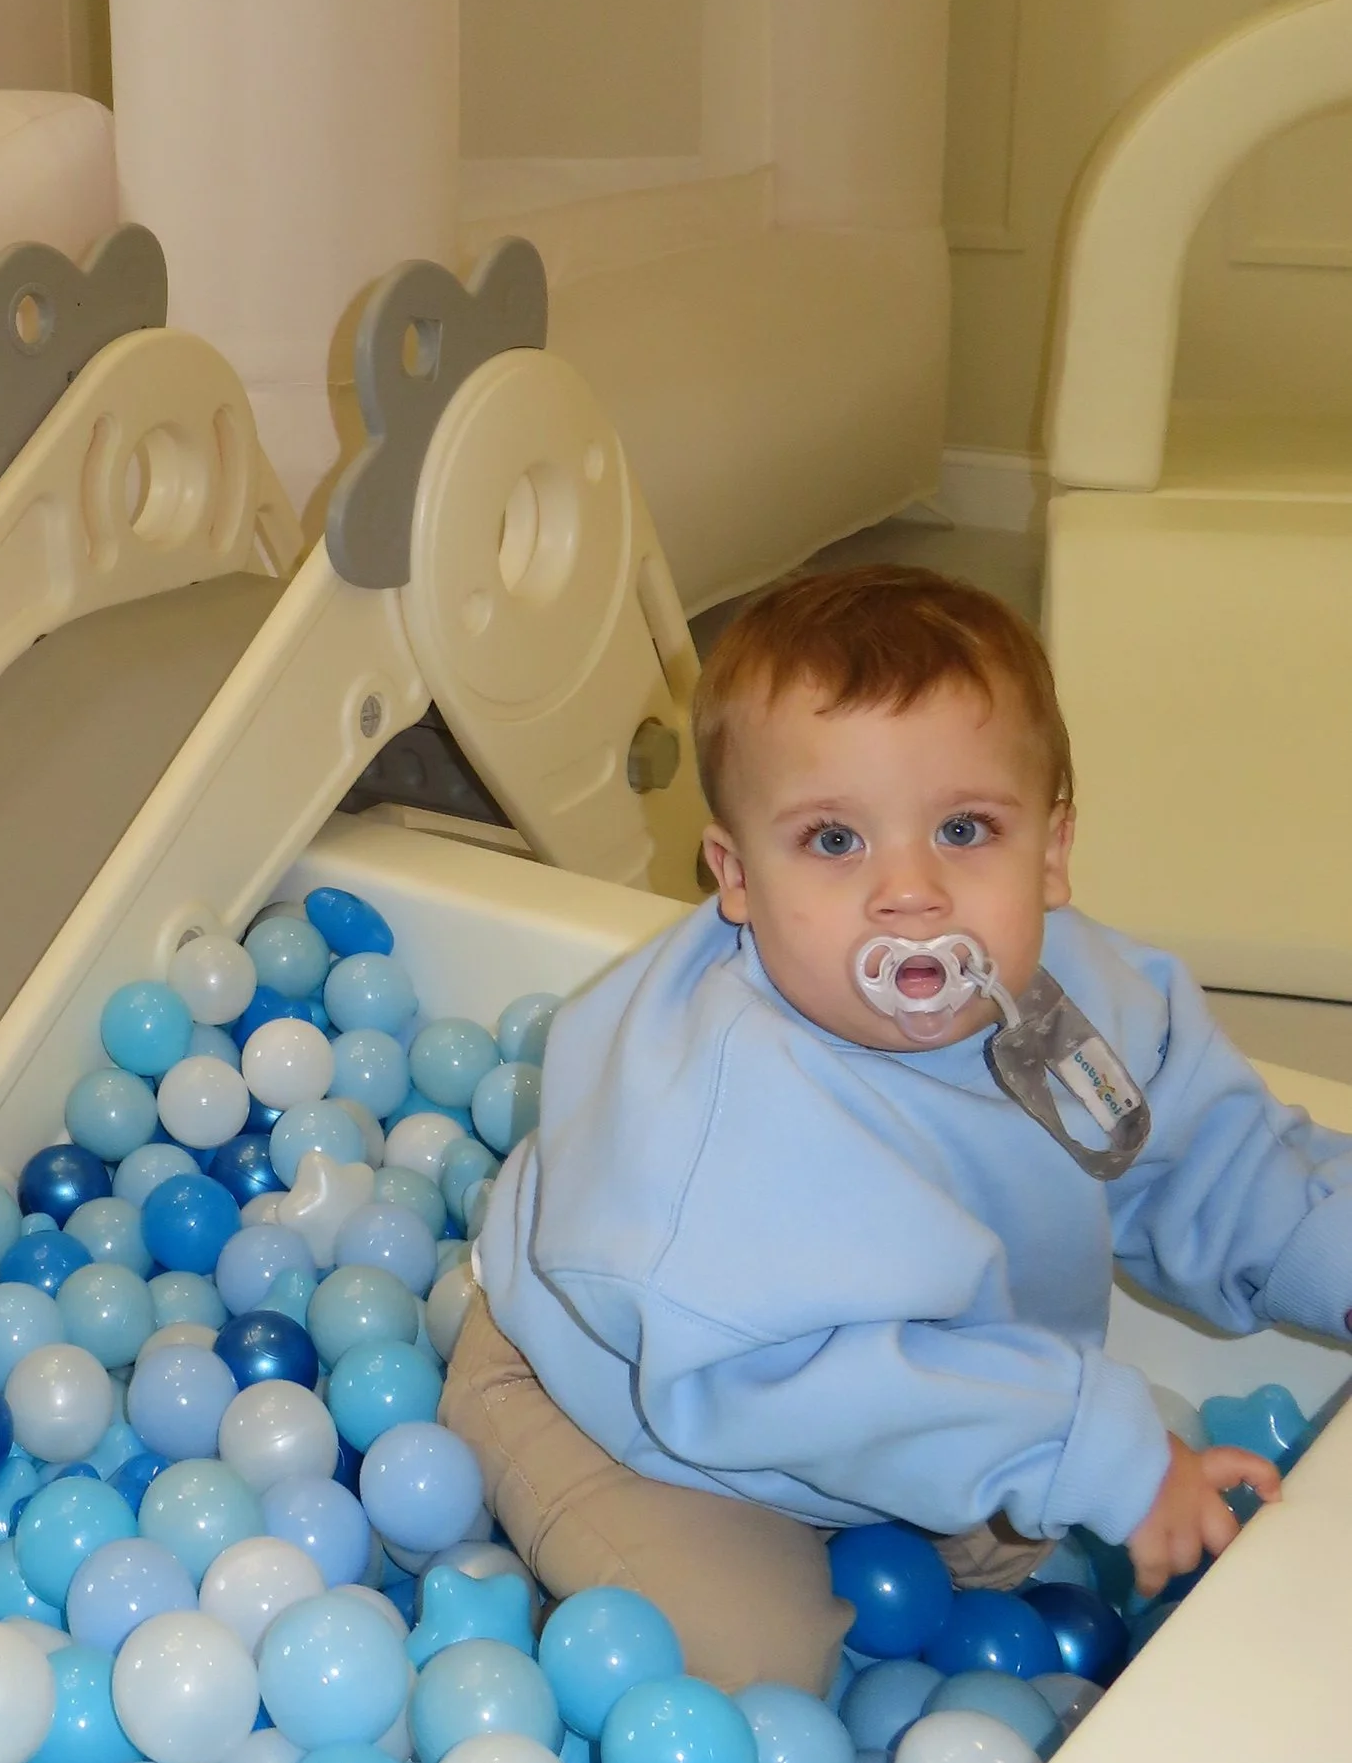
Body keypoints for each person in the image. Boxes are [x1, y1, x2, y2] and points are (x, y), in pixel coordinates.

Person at [442, 563, 1352, 1693]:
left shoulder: (1077, 1004)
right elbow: (787, 1377)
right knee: (752, 1664)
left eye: (964, 828)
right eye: (834, 841)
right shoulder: (723, 1116)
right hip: (628, 1392)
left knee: (1019, 1536)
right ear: (736, 876)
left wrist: (1327, 1247)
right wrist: (1092, 1446)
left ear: (1052, 850)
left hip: (868, 1377)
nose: (909, 892)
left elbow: (1209, 1161)